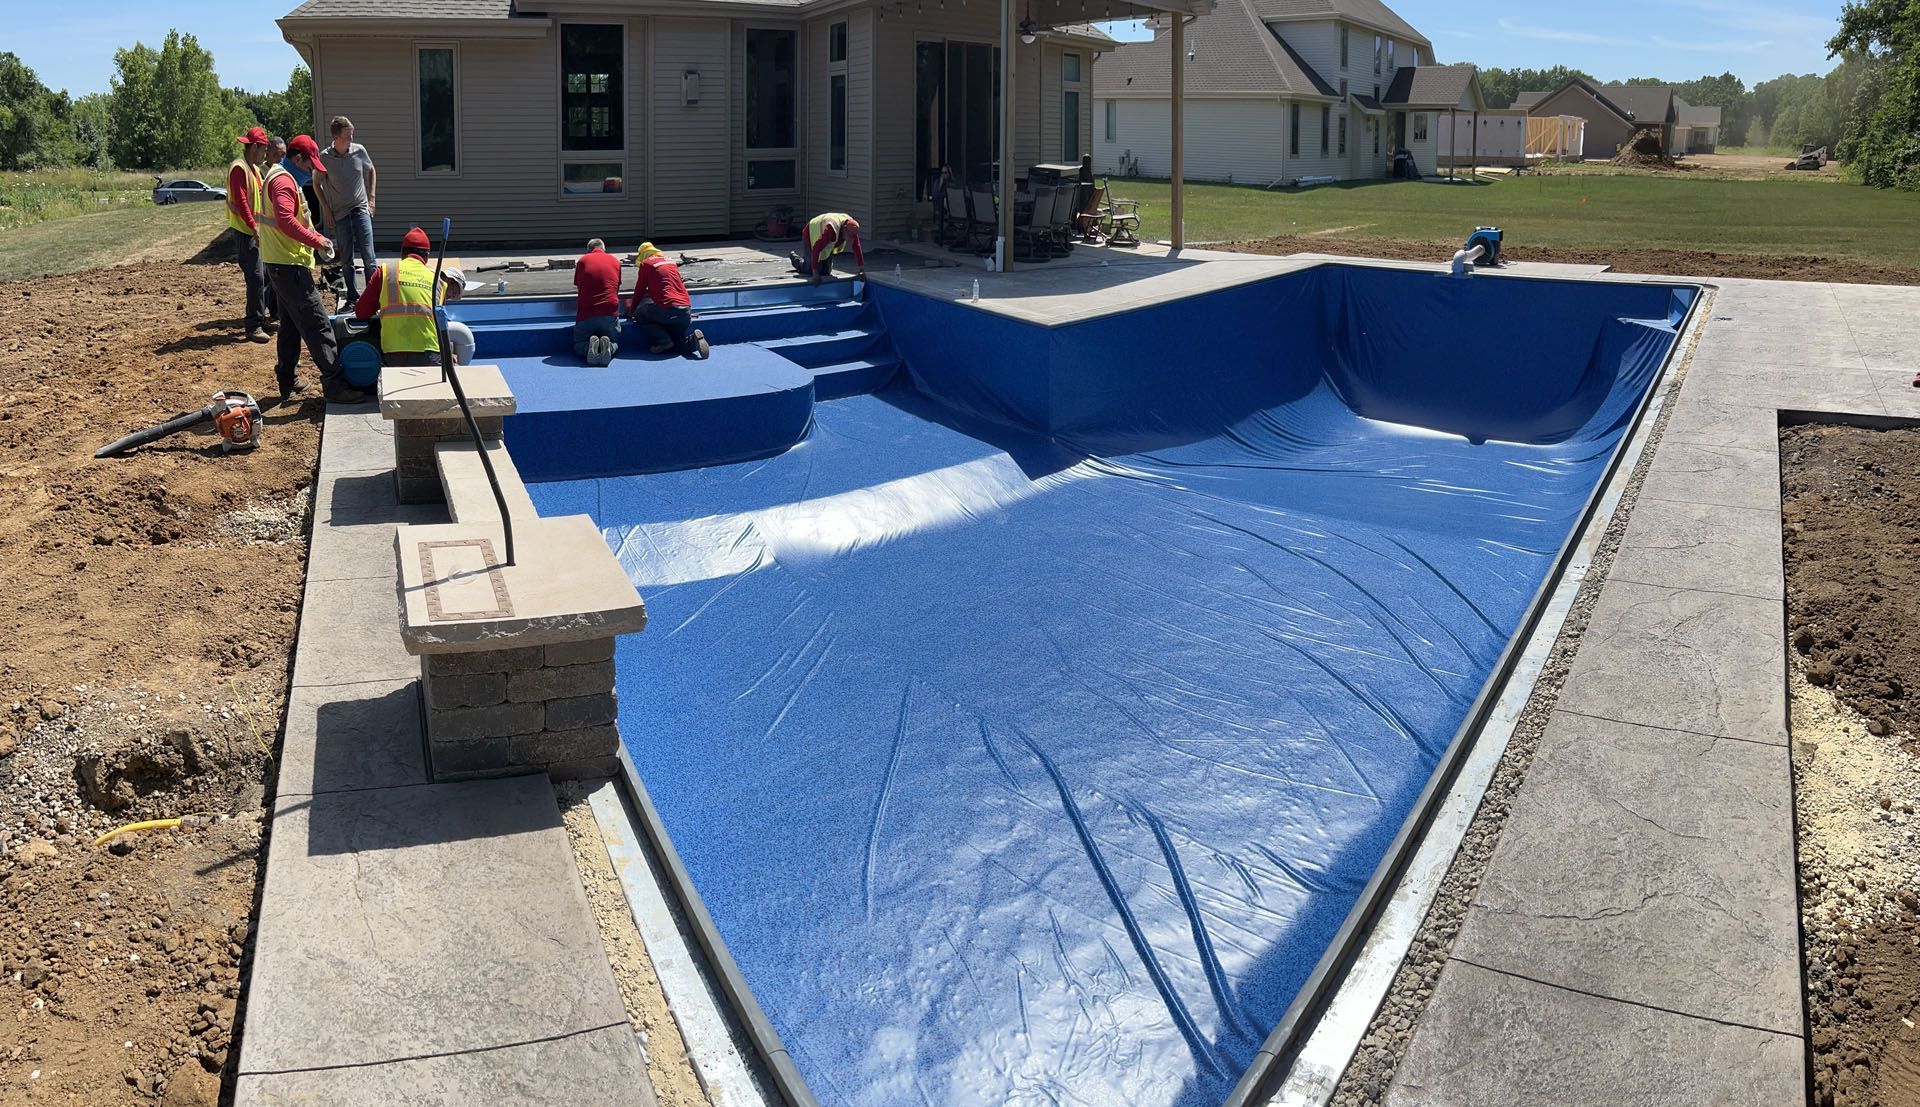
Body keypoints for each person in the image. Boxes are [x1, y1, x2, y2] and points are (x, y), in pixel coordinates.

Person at [261, 135, 365, 404]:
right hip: (289, 266)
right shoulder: (283, 181)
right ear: (298, 159)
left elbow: (293, 220)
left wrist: (316, 235)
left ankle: (286, 377)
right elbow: (285, 220)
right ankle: (334, 383)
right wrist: (316, 240)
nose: (311, 173)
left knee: (290, 327)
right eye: (310, 167)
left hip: (280, 264)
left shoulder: (279, 176)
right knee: (317, 324)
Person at [351, 226, 446, 366]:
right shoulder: (438, 281)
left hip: (394, 353)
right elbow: (441, 323)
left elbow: (361, 312)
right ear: (427, 256)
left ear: (402, 252)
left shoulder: (386, 272)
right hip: (430, 353)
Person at [314, 116, 377, 301]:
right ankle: (352, 296)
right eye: (347, 136)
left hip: (361, 209)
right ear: (336, 138)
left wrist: (371, 199)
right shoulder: (324, 157)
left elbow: (371, 170)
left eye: (352, 135)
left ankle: (372, 297)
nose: (351, 140)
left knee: (369, 256)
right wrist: (325, 208)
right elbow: (317, 184)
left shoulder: (359, 151)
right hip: (340, 214)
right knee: (347, 259)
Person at [226, 126, 275, 343]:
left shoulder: (253, 169)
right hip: (245, 232)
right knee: (255, 278)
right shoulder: (240, 168)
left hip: (254, 231)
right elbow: (241, 201)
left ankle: (260, 318)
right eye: (264, 150)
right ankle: (253, 326)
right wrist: (254, 227)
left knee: (263, 276)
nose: (265, 154)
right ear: (254, 147)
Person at [626, 243, 708, 359]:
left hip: (666, 309)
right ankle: (693, 341)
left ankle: (663, 340)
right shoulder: (671, 262)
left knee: (641, 315)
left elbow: (640, 289)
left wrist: (632, 310)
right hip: (685, 310)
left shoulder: (646, 264)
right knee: (677, 344)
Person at [572, 238, 623, 366]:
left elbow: (579, 286)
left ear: (588, 250)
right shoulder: (615, 261)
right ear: (604, 249)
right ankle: (609, 347)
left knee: (578, 344)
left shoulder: (583, 261)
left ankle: (587, 347)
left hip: (587, 311)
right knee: (614, 340)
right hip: (609, 311)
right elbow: (615, 288)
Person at [789, 212, 866, 285]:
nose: (851, 240)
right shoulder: (831, 230)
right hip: (811, 233)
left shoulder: (852, 229)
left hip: (827, 243)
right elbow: (816, 248)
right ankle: (796, 260)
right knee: (810, 270)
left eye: (853, 237)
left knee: (826, 271)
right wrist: (815, 273)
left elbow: (857, 248)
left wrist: (861, 270)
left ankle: (814, 264)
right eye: (850, 237)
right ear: (844, 229)